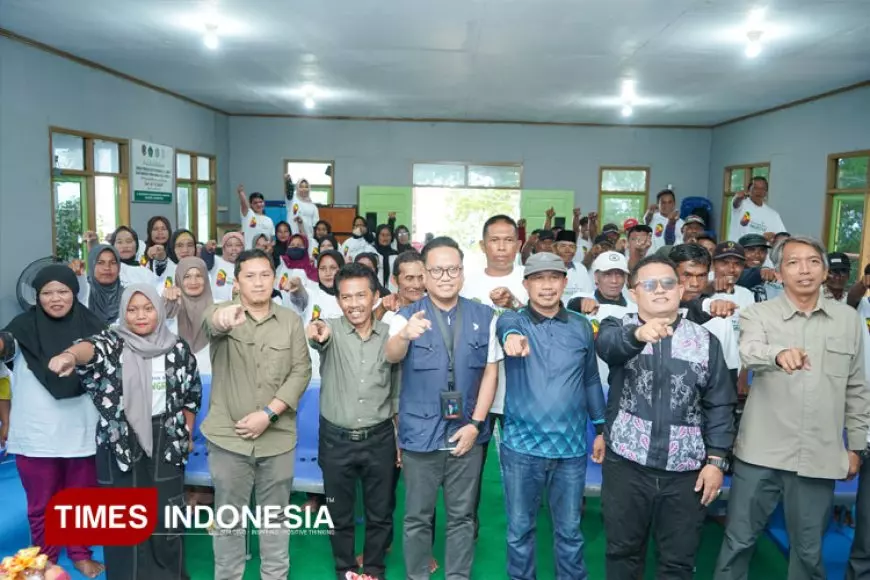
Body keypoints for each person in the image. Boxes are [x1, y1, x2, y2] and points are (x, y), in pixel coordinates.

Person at [714, 236, 870, 580]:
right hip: (761, 453)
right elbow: (749, 350)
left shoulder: (848, 320)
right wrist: (777, 354)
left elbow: (858, 387)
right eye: (794, 262)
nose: (804, 270)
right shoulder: (758, 314)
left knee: (809, 550)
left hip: (821, 453)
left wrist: (856, 446)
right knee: (738, 541)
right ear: (779, 272)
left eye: (813, 262)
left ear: (825, 271)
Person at [47, 283, 202, 580]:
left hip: (167, 438)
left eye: (147, 309)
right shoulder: (112, 342)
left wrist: (187, 433)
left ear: (158, 310)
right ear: (123, 313)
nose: (140, 316)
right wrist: (68, 356)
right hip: (119, 440)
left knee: (165, 516)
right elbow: (88, 349)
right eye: (132, 310)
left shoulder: (178, 349)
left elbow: (191, 395)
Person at [597, 255, 736, 580]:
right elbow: (608, 347)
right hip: (626, 467)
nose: (659, 290)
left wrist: (716, 462)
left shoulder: (705, 342)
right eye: (649, 284)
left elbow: (720, 404)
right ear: (634, 292)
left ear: (681, 288)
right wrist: (638, 335)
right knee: (622, 554)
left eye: (668, 283)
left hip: (685, 474)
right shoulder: (618, 326)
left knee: (678, 562)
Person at [385, 236, 501, 580]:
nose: (446, 276)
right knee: (418, 517)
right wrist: (405, 334)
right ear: (424, 273)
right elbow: (390, 355)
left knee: (462, 516)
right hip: (420, 436)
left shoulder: (485, 315)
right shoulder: (403, 317)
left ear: (463, 272)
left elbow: (491, 372)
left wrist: (477, 424)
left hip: (466, 434)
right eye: (437, 269)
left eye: (453, 269)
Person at [202, 249, 312, 580]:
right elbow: (213, 322)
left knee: (275, 519)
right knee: (229, 521)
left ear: (274, 278)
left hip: (277, 439)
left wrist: (269, 414)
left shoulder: (291, 321)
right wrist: (224, 320)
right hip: (228, 438)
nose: (259, 282)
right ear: (236, 283)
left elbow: (301, 371)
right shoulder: (223, 312)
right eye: (250, 276)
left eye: (265, 274)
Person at [497, 252, 606, 580]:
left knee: (570, 532)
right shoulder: (513, 321)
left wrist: (600, 428)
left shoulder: (581, 327)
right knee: (519, 531)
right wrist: (511, 338)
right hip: (520, 449)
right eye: (538, 279)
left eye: (554, 278)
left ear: (565, 282)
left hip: (570, 451)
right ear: (526, 284)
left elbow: (590, 380)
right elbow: (507, 323)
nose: (547, 286)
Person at [0, 266, 105, 578]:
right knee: (41, 506)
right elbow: (5, 344)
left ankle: (80, 554)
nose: (55, 298)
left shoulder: (93, 326)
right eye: (47, 292)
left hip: (82, 431)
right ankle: (45, 560)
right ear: (37, 296)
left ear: (75, 292)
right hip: (36, 436)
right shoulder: (21, 328)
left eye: (63, 291)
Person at [307, 263, 398, 580]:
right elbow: (318, 334)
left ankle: (374, 569)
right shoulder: (329, 329)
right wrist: (315, 330)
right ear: (338, 300)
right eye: (346, 297)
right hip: (335, 441)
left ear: (375, 296)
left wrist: (399, 440)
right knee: (338, 512)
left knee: (381, 512)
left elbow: (396, 390)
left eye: (361, 295)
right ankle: (345, 569)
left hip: (380, 439)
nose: (354, 303)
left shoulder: (390, 336)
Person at [459, 215, 528, 539]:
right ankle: (466, 531)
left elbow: (546, 333)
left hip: (521, 391)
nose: (501, 247)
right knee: (471, 469)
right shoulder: (468, 282)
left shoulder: (532, 279)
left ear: (518, 244)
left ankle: (521, 533)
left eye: (508, 240)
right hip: (478, 392)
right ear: (483, 244)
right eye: (495, 240)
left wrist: (514, 304)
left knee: (520, 471)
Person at [567, 251, 638, 393]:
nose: (614, 281)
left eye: (619, 274)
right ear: (596, 277)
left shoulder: (635, 309)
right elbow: (570, 308)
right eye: (608, 274)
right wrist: (580, 303)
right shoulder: (582, 298)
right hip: (584, 384)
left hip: (622, 386)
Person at [163, 257, 213, 375]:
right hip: (178, 382)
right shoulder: (171, 308)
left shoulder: (219, 308)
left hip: (213, 380)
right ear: (179, 279)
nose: (193, 281)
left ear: (206, 278)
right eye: (187, 276)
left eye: (199, 276)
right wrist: (166, 305)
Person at [75, 244, 123, 324]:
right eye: (100, 262)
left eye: (113, 262)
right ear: (91, 265)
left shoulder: (128, 296)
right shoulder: (81, 293)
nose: (107, 267)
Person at [728, 176, 785, 243]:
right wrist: (738, 197)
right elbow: (736, 203)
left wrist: (774, 237)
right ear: (749, 190)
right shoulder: (741, 204)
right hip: (738, 251)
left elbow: (782, 237)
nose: (759, 192)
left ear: (766, 192)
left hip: (761, 252)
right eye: (755, 188)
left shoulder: (774, 215)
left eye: (763, 189)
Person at [553, 229, 594, 299]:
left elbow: (588, 295)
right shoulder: (547, 268)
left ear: (575, 250)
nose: (567, 250)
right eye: (563, 246)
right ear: (555, 249)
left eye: (571, 247)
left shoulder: (581, 268)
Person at [237, 184, 275, 249]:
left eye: (261, 202)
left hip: (264, 254)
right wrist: (241, 193)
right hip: (249, 253)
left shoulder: (269, 220)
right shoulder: (248, 215)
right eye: (255, 203)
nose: (259, 204)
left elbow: (271, 239)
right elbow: (244, 205)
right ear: (251, 204)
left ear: (264, 203)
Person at [211, 232, 245, 303]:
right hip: (217, 307)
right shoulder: (215, 261)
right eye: (229, 245)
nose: (234, 249)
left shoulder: (247, 266)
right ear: (223, 249)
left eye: (238, 245)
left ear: (243, 248)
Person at [286, 176, 320, 242]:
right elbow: (289, 191)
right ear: (297, 188)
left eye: (306, 187)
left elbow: (315, 225)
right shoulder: (292, 200)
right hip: (293, 238)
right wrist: (288, 181)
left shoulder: (313, 207)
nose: (304, 189)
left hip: (308, 239)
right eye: (301, 186)